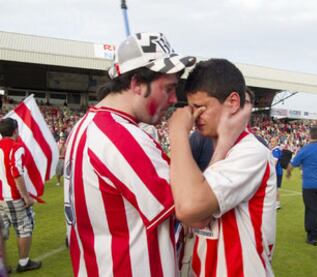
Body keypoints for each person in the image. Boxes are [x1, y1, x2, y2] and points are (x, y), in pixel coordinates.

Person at [63, 32, 196, 276]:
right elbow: (192, 208)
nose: (174, 99)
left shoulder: (87, 125)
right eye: (168, 88)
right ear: (136, 84)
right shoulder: (119, 135)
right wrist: (179, 133)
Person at [169, 59, 276, 276]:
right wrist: (221, 148)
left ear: (232, 102)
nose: (194, 117)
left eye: (200, 107)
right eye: (191, 108)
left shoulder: (251, 152)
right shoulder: (224, 149)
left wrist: (178, 132)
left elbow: (192, 210)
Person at [0, 118, 41, 272]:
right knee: (24, 228)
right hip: (13, 196)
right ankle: (24, 263)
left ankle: (2, 265)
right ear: (15, 130)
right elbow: (16, 172)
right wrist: (26, 197)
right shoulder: (16, 147)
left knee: (2, 230)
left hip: (0, 196)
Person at [270, 136, 283, 209]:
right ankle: (276, 203)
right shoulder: (275, 150)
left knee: (275, 188)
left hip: (276, 172)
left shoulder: (276, 150)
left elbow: (275, 162)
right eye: (271, 141)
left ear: (276, 142)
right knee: (275, 188)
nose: (272, 143)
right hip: (277, 172)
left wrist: (270, 171)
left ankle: (277, 204)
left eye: (273, 141)